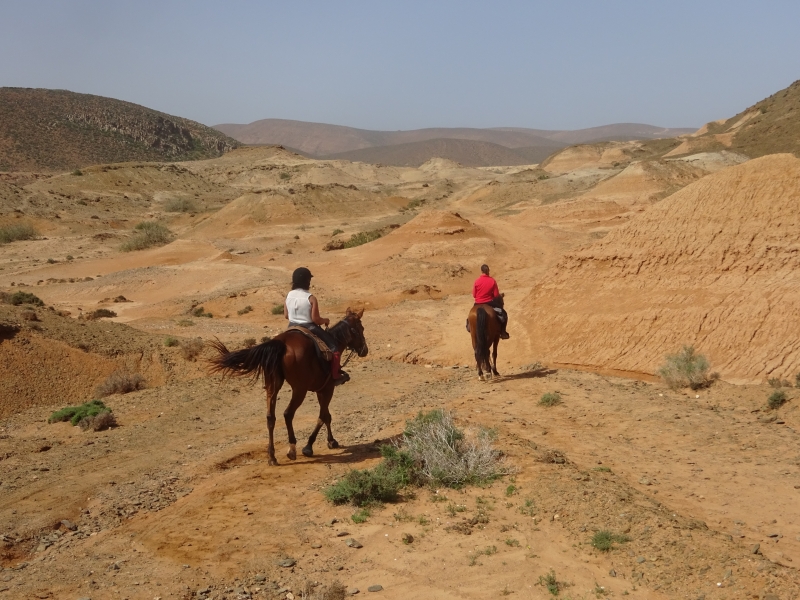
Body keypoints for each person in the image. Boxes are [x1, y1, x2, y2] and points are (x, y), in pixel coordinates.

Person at [284, 267, 349, 385]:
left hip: (291, 326)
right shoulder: (311, 298)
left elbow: (286, 315)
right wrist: (325, 320)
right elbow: (316, 320)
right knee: (334, 347)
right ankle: (335, 375)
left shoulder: (289, 295)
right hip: (309, 326)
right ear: (307, 281)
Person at [471, 264, 510, 339]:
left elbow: (474, 295)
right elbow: (496, 295)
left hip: (478, 303)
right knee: (504, 314)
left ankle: (469, 326)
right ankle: (503, 332)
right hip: (489, 302)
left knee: (470, 315)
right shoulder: (492, 281)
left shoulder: (476, 281)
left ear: (481, 271)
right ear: (488, 271)